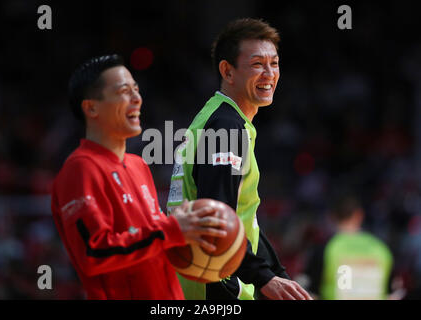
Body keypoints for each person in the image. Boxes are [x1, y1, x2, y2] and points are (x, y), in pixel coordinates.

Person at [50, 54, 228, 300]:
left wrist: (190, 236)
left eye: (136, 89)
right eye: (124, 91)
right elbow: (94, 252)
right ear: (91, 107)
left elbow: (152, 241)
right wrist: (173, 229)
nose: (137, 99)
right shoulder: (80, 169)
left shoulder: (138, 165)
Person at [167, 18, 312, 300]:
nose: (269, 73)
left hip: (196, 282)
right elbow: (216, 221)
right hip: (212, 288)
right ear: (228, 71)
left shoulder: (216, 117)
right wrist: (262, 277)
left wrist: (277, 275)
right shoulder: (226, 127)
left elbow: (244, 220)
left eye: (275, 63)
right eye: (258, 64)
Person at [304, 194, 398, 300]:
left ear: (332, 216)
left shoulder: (325, 249)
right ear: (359, 215)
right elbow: (392, 294)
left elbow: (309, 293)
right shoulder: (382, 249)